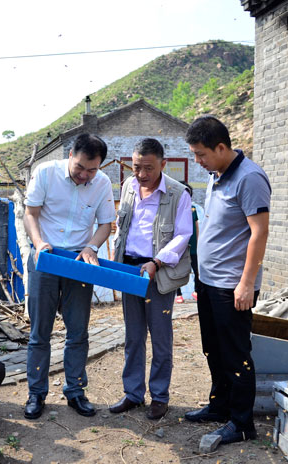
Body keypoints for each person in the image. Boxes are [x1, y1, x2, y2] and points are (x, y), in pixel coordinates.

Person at [183, 116, 271, 446]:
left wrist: (247, 283)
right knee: (214, 349)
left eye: (201, 154)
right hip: (209, 281)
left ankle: (242, 423)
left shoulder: (249, 178)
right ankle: (220, 406)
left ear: (221, 147)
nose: (197, 161)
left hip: (232, 285)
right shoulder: (216, 175)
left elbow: (259, 232)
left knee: (236, 354)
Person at [22, 133, 116, 419]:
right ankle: (36, 393)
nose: (85, 175)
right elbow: (30, 213)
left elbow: (106, 224)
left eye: (92, 170)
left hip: (78, 263)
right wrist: (39, 243)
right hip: (46, 258)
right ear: (71, 155)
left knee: (78, 331)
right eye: (80, 168)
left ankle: (75, 390)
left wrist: (91, 247)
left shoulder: (102, 183)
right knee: (40, 332)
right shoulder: (46, 173)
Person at [109, 138, 193, 420]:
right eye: (136, 167)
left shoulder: (178, 193)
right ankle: (133, 393)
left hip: (158, 271)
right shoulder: (128, 187)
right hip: (130, 269)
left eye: (148, 168)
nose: (141, 174)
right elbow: (122, 227)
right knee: (133, 336)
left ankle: (159, 396)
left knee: (160, 337)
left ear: (163, 164)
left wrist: (157, 261)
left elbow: (183, 235)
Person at [175, 197, 204, 304]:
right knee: (177, 271)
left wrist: (198, 242)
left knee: (197, 270)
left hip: (193, 246)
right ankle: (179, 294)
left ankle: (196, 291)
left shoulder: (193, 209)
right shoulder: (176, 209)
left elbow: (196, 226)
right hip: (181, 246)